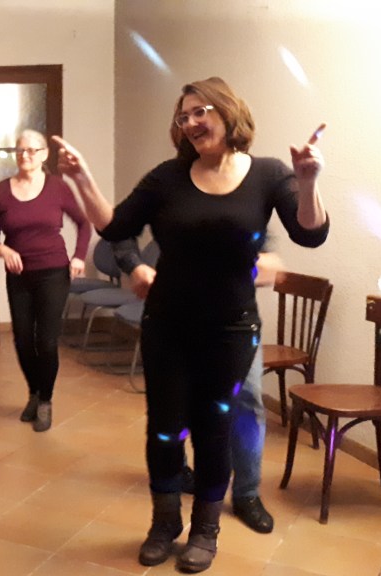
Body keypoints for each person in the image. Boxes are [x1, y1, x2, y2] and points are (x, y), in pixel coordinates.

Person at [54, 77, 329, 572]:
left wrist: (308, 182)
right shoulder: (167, 178)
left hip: (230, 329)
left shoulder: (268, 174)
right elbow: (115, 225)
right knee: (163, 429)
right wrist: (83, 178)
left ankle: (206, 529)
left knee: (213, 428)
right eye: (184, 116)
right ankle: (164, 524)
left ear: (227, 111)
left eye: (201, 111)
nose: (191, 122)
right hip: (167, 324)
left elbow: (310, 234)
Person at [114, 238, 284, 534]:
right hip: (176, 323)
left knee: (248, 404)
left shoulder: (245, 208)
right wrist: (135, 265)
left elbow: (270, 264)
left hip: (236, 324)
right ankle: (178, 475)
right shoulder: (168, 209)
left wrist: (236, 268)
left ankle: (246, 494)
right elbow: (121, 235)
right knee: (175, 404)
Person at [0, 129, 91, 432]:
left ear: (44, 154)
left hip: (53, 272)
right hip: (19, 276)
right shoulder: (1, 191)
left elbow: (84, 224)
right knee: (22, 339)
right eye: (20, 150)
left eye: (31, 150)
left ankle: (45, 400)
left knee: (46, 340)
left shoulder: (58, 187)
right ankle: (34, 391)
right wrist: (3, 249)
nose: (25, 155)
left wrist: (79, 257)